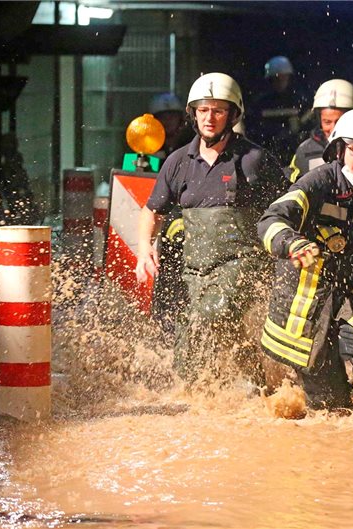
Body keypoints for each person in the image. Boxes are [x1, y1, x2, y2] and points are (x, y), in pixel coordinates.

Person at [135, 72, 286, 385]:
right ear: (193, 114)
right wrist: (143, 249)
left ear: (232, 115)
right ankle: (250, 390)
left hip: (242, 265)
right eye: (203, 110)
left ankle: (246, 386)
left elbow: (289, 204)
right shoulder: (178, 162)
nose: (210, 117)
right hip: (195, 270)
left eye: (218, 110)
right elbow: (152, 210)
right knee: (186, 349)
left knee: (211, 316)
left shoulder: (254, 159)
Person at [257, 109, 353, 410]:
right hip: (308, 301)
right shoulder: (317, 182)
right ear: (339, 149)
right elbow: (271, 218)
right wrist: (292, 242)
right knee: (331, 408)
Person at [147, 92, 194, 336]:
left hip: (183, 222)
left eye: (172, 117)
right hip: (154, 219)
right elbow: (132, 179)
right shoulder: (144, 149)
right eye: (162, 118)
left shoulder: (191, 146)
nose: (167, 123)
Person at [247, 56, 310, 161]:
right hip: (267, 154)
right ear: (270, 80)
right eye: (276, 78)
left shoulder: (300, 101)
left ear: (289, 78)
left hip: (294, 154)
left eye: (283, 77)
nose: (280, 81)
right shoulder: (261, 103)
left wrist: (294, 132)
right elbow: (253, 130)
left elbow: (307, 128)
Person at [150, 92, 194, 158]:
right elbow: (130, 165)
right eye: (163, 117)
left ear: (180, 119)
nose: (168, 120)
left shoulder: (192, 142)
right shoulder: (146, 143)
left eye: (172, 116)